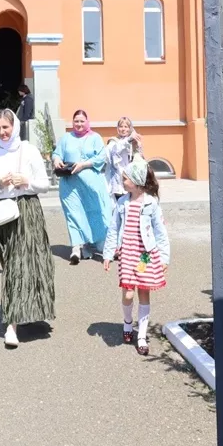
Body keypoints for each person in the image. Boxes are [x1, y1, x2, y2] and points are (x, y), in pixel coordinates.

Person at [0, 109, 54, 348]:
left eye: (6, 127)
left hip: (27, 211)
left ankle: (12, 326)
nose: (2, 132)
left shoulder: (29, 150)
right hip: (2, 214)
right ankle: (23, 310)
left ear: (15, 126)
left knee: (22, 265)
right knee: (12, 265)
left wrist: (26, 182)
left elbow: (45, 184)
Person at [102, 157, 169, 357]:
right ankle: (127, 323)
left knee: (144, 292)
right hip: (127, 254)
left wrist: (164, 257)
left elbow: (161, 232)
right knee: (128, 294)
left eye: (126, 178)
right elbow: (113, 229)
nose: (122, 182)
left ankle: (141, 336)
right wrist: (108, 253)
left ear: (137, 180)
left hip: (145, 256)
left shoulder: (151, 203)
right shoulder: (122, 203)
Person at [52, 110, 112, 264]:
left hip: (91, 185)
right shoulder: (66, 138)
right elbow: (57, 153)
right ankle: (76, 247)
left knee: (94, 213)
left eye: (81, 121)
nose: (79, 124)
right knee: (73, 214)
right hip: (70, 184)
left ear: (87, 122)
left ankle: (96, 244)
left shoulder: (95, 137)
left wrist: (83, 165)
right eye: (76, 121)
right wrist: (57, 160)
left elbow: (101, 157)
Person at [104, 116, 144, 202]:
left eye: (126, 127)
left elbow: (139, 160)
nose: (123, 129)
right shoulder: (113, 141)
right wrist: (128, 140)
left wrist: (137, 146)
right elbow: (112, 151)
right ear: (117, 128)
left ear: (130, 128)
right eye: (121, 126)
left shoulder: (133, 142)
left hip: (132, 179)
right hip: (118, 181)